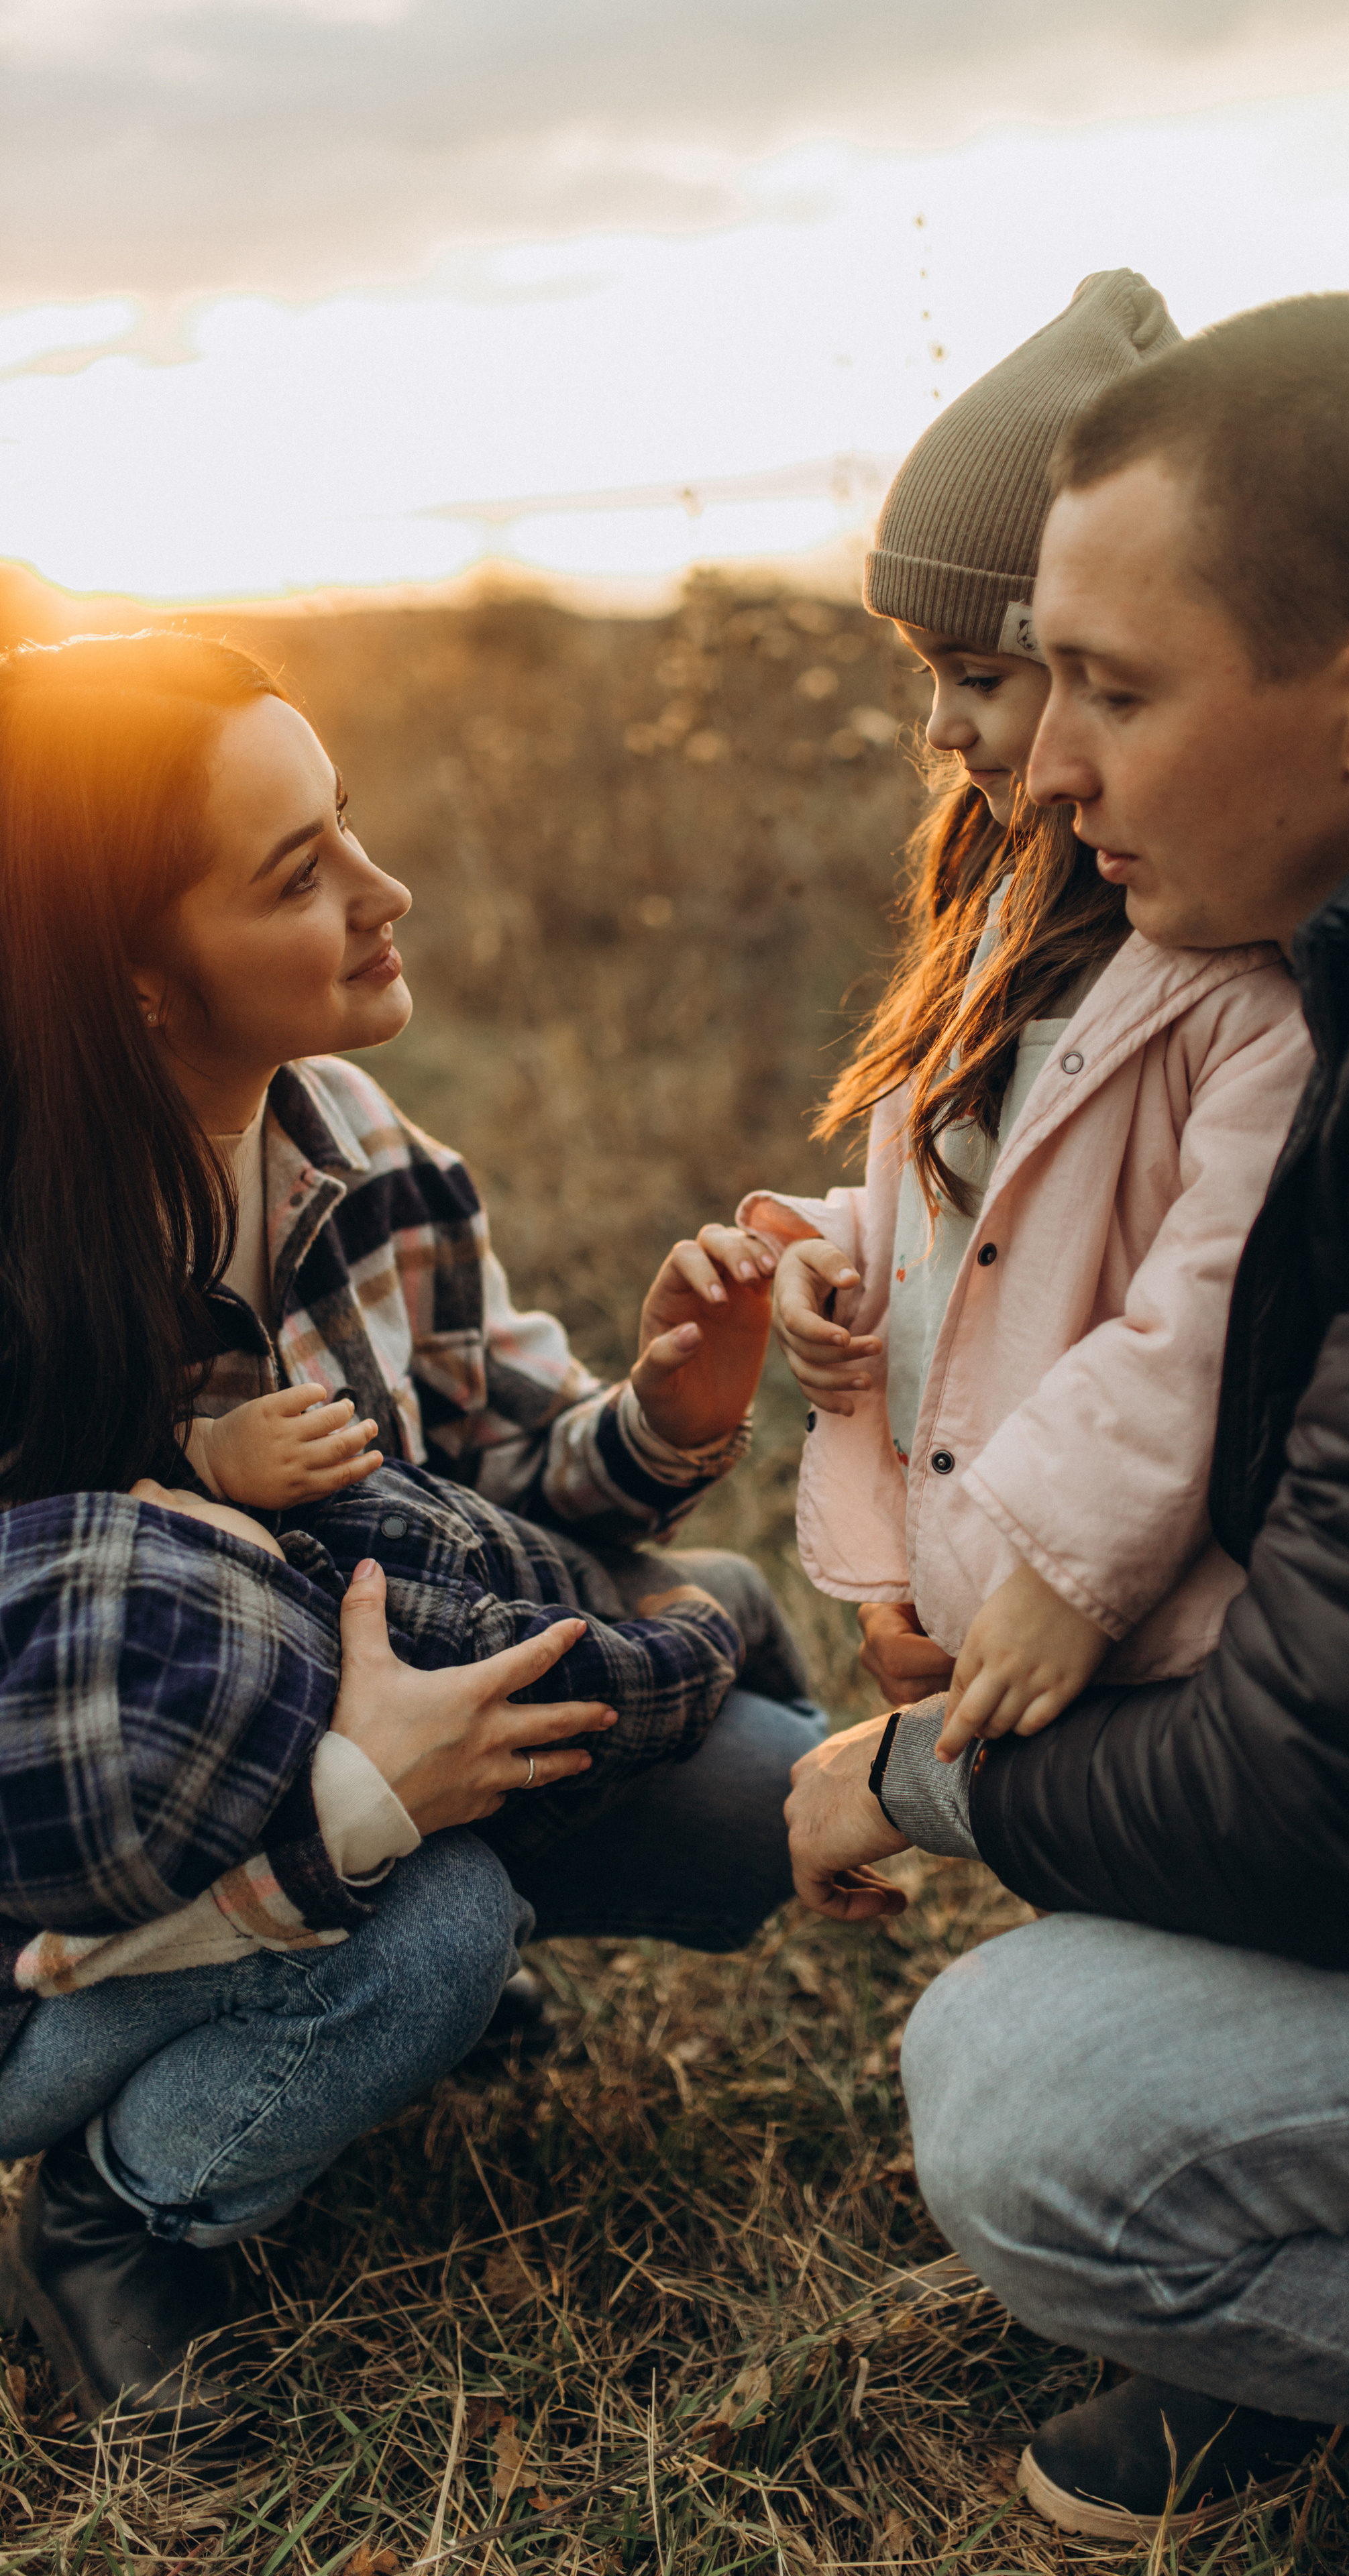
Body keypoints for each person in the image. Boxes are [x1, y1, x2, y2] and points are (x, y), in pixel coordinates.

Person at [784, 292, 1349, 2538]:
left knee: (1028, 2105)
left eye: (1114, 692)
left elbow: (1340, 1808)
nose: (1048, 768)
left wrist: (920, 1777)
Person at [0, 631, 820, 2451]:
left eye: (346, 825)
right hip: (59, 1919)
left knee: (763, 1812)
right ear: (137, 976)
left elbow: (501, 1484)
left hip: (386, 1739)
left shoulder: (356, 1136)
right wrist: (356, 1806)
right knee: (436, 1934)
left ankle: (403, 1933)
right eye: (299, 874)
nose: (388, 896)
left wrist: (668, 1418)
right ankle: (116, 2212)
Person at [744, 273, 1310, 1754]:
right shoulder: (1000, 903)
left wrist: (1054, 1567)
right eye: (926, 678)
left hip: (1140, 1625)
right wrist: (838, 1249)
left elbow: (1198, 1319)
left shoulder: (1228, 966)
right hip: (994, 1572)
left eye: (975, 676)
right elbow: (981, 1200)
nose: (939, 728)